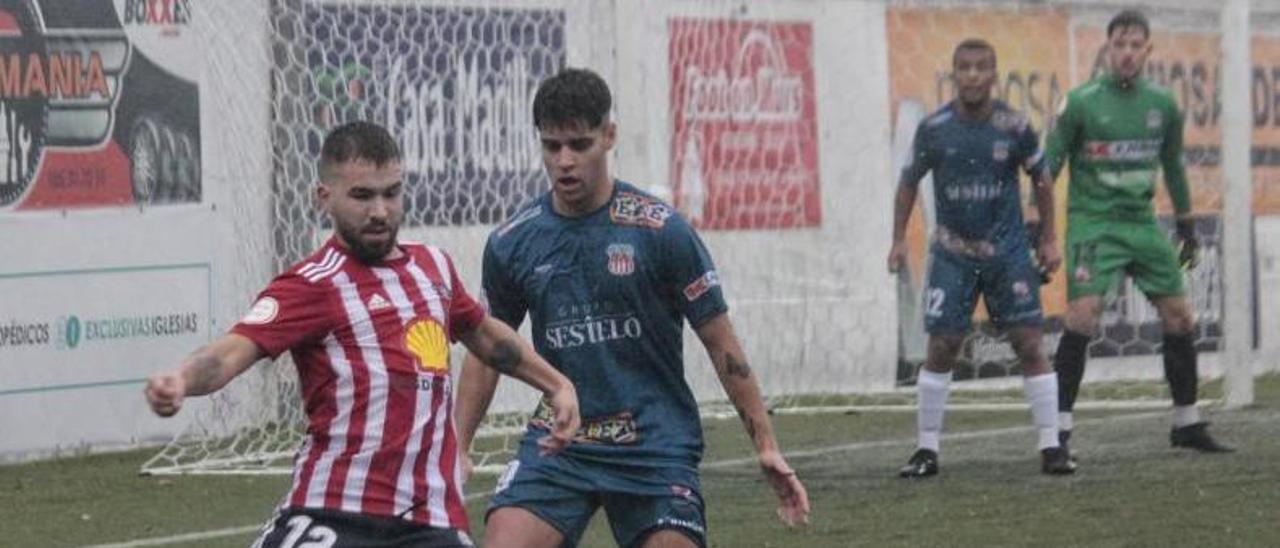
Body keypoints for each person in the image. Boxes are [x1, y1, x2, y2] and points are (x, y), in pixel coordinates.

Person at [143, 121, 582, 548]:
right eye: (362, 196)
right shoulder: (314, 283)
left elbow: (489, 339)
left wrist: (557, 384)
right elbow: (230, 353)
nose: (379, 211)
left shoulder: (434, 269)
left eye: (391, 193)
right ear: (324, 197)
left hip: (429, 519)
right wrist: (182, 380)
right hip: (333, 510)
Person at [454, 68, 810, 548]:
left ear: (610, 135)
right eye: (552, 146)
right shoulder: (513, 243)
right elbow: (487, 346)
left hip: (653, 443)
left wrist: (766, 445)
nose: (564, 161)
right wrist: (457, 445)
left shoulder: (661, 232)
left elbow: (720, 342)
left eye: (579, 144)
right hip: (561, 443)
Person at [1045, 10, 1232, 455]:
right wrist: (1040, 225)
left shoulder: (1162, 105)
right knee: (1082, 316)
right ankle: (1058, 429)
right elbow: (1048, 166)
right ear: (1107, 48)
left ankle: (1187, 423)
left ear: (1148, 51)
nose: (1127, 54)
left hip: (1143, 225)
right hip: (1094, 225)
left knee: (1180, 316)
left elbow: (1173, 165)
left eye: (1135, 46)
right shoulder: (1080, 102)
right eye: (1119, 45)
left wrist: (1186, 224)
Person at [888, 39, 1075, 477]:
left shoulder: (1014, 126)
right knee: (943, 345)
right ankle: (926, 450)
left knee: (1029, 342)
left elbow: (1043, 180)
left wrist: (1048, 239)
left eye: (980, 68)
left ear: (994, 75)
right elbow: (908, 183)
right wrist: (898, 239)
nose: (971, 75)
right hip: (952, 253)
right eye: (964, 68)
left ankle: (1051, 446)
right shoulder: (935, 128)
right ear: (954, 74)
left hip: (1007, 252)